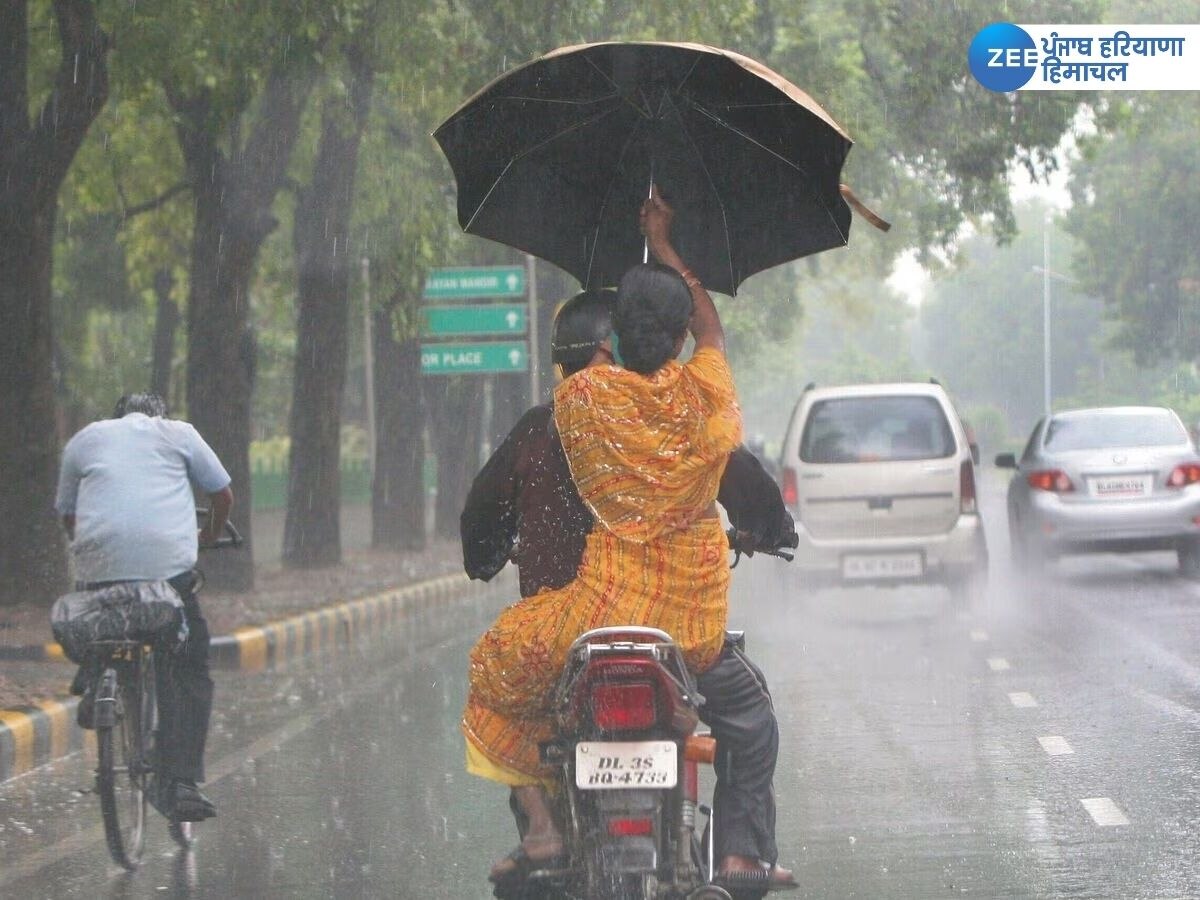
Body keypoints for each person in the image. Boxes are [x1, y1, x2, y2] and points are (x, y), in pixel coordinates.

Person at [461, 189, 796, 891]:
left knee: (494, 674)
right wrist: (668, 247)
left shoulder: (583, 402)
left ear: (607, 343)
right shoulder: (704, 399)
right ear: (679, 340)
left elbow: (599, 368)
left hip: (598, 618)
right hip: (689, 634)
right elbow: (714, 338)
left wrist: (622, 314)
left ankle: (545, 833)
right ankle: (739, 854)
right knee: (751, 720)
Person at [55, 392, 233, 822]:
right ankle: (179, 782)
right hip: (164, 580)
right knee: (187, 662)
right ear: (160, 417)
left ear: (116, 418)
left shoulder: (85, 439)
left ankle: (97, 672)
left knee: (106, 618)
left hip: (101, 575)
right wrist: (204, 537)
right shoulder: (179, 434)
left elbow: (68, 515)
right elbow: (223, 497)